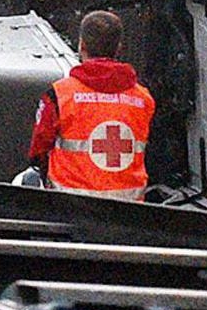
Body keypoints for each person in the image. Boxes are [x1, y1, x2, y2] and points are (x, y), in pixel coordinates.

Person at [28, 10, 157, 200]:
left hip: (71, 208)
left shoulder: (60, 95)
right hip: (130, 211)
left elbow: (38, 150)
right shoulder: (143, 99)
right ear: (119, 47)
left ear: (81, 45)